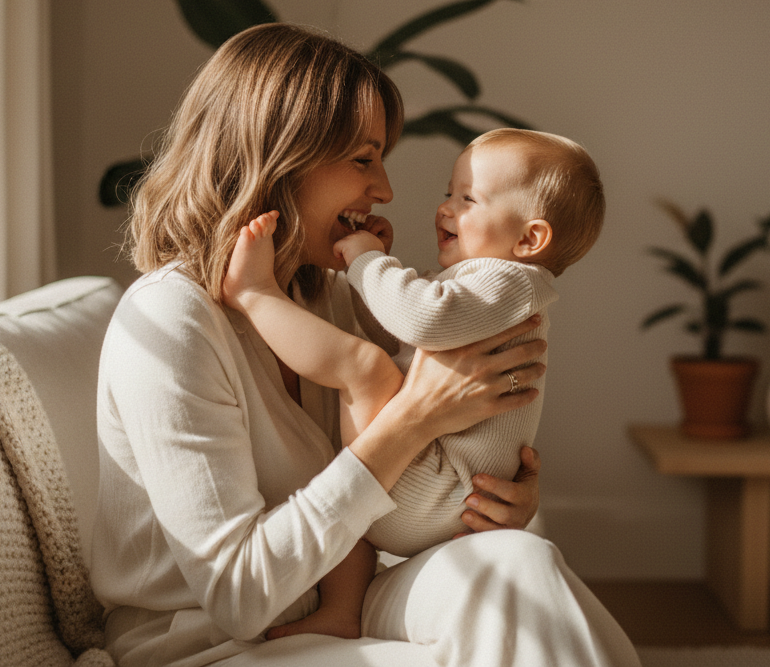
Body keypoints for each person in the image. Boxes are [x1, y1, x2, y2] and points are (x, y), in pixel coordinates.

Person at [90, 22, 641, 667]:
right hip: (215, 643)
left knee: (522, 564)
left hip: (339, 602)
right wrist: (409, 421)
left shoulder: (324, 295)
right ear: (281, 156)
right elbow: (239, 599)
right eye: (362, 158)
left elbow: (439, 408)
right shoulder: (171, 320)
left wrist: (499, 498)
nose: (384, 190)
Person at [222, 128, 605, 641]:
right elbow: (397, 332)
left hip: (439, 489)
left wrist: (366, 261)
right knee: (348, 454)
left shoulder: (507, 279)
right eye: (449, 192)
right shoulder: (480, 287)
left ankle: (254, 293)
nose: (444, 209)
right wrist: (369, 272)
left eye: (467, 199)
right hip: (445, 495)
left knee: (361, 371)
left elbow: (419, 320)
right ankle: (343, 611)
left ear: (529, 240)